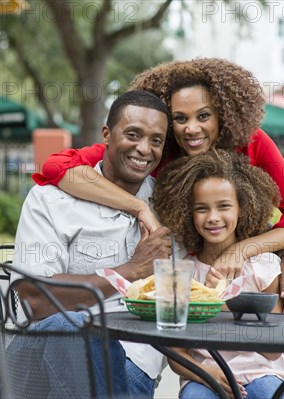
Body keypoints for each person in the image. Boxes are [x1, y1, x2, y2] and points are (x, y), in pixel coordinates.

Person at [32, 58, 284, 288]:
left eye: (203, 116)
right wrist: (138, 207)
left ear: (224, 114)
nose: (191, 129)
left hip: (245, 276)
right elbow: (57, 166)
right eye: (180, 119)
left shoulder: (252, 143)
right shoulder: (156, 150)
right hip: (183, 278)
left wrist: (243, 251)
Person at [9, 90, 172, 398]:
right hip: (47, 356)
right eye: (133, 134)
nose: (144, 149)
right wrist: (131, 270)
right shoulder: (51, 199)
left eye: (156, 140)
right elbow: (36, 300)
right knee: (71, 325)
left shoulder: (169, 203)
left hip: (136, 362)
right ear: (107, 135)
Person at [152, 149, 284, 399]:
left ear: (242, 208)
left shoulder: (263, 267)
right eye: (202, 209)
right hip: (203, 376)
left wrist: (228, 298)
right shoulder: (181, 273)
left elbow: (273, 351)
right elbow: (176, 355)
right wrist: (209, 373)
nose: (213, 218)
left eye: (224, 206)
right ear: (189, 213)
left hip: (261, 372)